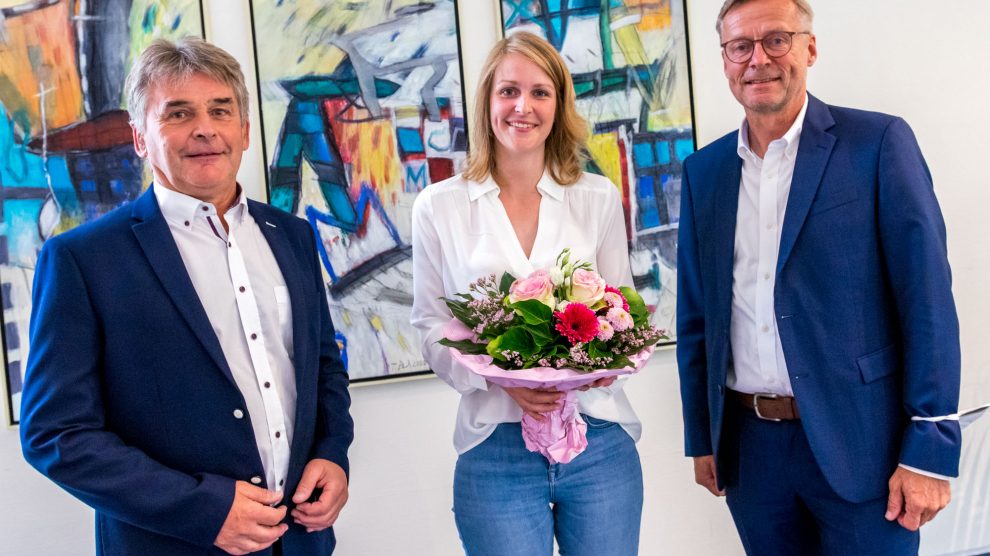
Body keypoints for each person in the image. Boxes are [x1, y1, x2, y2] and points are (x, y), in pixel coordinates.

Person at [19, 37, 354, 556]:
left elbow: (323, 368)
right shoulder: (83, 259)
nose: (204, 128)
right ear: (140, 138)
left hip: (301, 542)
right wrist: (204, 509)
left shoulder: (291, 235)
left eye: (220, 110)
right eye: (178, 113)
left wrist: (334, 454)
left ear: (244, 131)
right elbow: (57, 434)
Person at [676, 0, 960, 554]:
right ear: (726, 60)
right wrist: (701, 435)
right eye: (741, 46)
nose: (758, 59)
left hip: (864, 444)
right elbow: (697, 316)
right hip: (749, 450)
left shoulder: (877, 144)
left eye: (776, 40)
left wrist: (930, 444)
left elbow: (926, 300)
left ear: (809, 47)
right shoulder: (703, 172)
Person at [411, 31, 643, 555]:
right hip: (494, 446)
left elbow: (623, 311)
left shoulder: (596, 198)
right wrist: (502, 379)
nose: (524, 107)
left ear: (558, 106)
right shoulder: (439, 206)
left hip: (599, 436)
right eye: (509, 91)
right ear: (487, 101)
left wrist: (605, 362)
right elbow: (428, 326)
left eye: (541, 92)